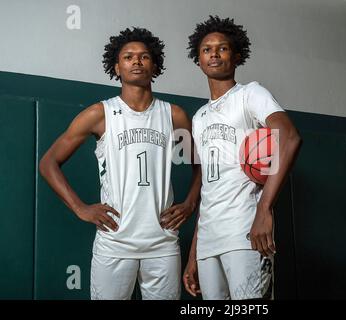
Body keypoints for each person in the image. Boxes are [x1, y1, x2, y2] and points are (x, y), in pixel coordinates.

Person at [39, 27, 201, 300]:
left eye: (144, 56)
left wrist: (190, 203)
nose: (136, 61)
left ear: (154, 65)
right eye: (128, 57)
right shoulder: (99, 114)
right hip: (114, 241)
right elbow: (48, 163)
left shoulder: (174, 116)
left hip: (162, 242)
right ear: (117, 66)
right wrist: (81, 209)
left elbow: (200, 166)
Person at [183, 16, 302, 300]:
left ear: (236, 56)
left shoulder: (251, 94)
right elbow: (208, 189)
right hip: (209, 241)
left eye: (222, 48)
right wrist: (193, 253)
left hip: (246, 230)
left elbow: (289, 137)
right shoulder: (198, 118)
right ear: (198, 59)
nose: (214, 54)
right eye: (206, 49)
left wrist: (264, 210)